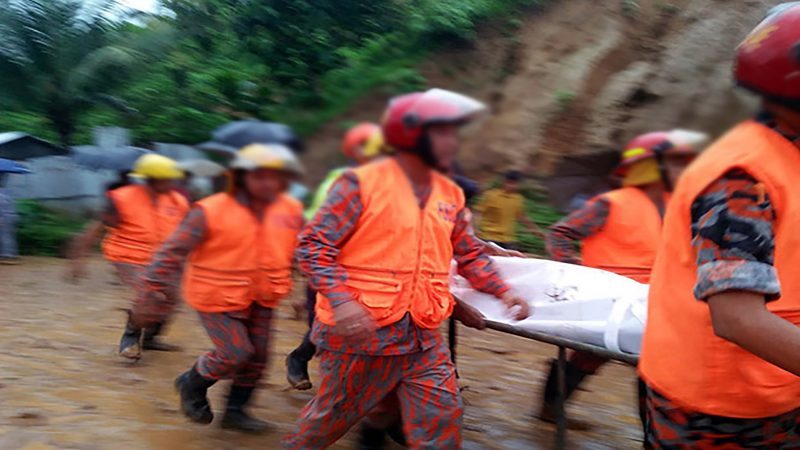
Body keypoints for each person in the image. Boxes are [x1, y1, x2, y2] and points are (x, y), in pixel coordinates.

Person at [284, 88, 530, 450]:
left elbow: (469, 253)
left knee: (442, 419)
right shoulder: (361, 184)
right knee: (328, 420)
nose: (451, 141)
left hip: (423, 334)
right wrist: (341, 300)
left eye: (452, 132)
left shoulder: (451, 194)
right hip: (362, 334)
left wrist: (503, 291)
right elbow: (313, 246)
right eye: (440, 132)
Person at [639, 4, 800, 447]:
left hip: (774, 386)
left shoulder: (789, 158)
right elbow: (737, 318)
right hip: (714, 406)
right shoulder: (742, 176)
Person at [540, 129, 706, 429]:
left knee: (655, 365)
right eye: (677, 162)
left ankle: (655, 432)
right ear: (652, 167)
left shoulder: (679, 208)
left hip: (655, 298)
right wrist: (580, 272)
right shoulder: (611, 202)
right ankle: (551, 410)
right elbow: (560, 234)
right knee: (588, 358)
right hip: (609, 297)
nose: (684, 170)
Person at [137, 144, 304, 433]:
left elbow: (301, 249)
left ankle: (235, 413)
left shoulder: (290, 209)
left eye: (273, 177)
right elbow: (172, 250)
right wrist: (150, 288)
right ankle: (192, 382)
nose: (268, 183)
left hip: (264, 294)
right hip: (216, 295)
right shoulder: (209, 211)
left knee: (259, 357)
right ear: (240, 177)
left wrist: (311, 286)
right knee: (235, 352)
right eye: (259, 176)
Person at [286, 122, 385, 391]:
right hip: (336, 270)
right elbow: (318, 235)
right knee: (327, 328)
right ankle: (302, 364)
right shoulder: (346, 181)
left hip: (368, 272)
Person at [68, 154, 189, 359]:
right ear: (151, 179)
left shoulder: (178, 201)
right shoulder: (121, 198)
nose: (172, 183)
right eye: (167, 179)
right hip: (128, 256)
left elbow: (189, 230)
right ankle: (131, 336)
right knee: (150, 295)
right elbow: (95, 228)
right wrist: (78, 259)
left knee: (172, 298)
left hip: (164, 258)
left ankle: (151, 339)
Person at [474, 169, 545, 250]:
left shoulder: (518, 199)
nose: (512, 186)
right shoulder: (491, 195)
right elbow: (478, 213)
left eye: (515, 184)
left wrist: (537, 232)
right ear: (504, 182)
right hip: (489, 237)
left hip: (508, 239)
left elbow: (523, 218)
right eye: (509, 183)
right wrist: (476, 229)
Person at [0, 174, 19, 263]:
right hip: (12, 216)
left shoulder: (1, 195)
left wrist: (1, 219)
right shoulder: (7, 193)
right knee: (9, 235)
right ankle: (11, 253)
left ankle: (7, 254)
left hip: (5, 217)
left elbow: (1, 209)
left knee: (5, 236)